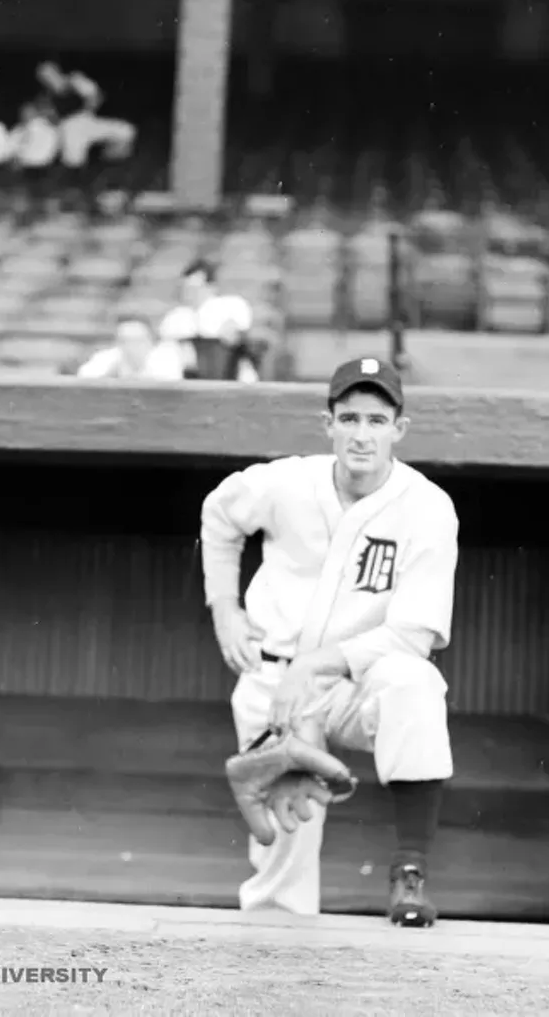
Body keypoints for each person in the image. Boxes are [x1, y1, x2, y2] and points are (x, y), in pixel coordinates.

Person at [199, 357, 458, 926]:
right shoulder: (285, 482)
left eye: (375, 420)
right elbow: (218, 514)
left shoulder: (427, 507)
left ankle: (410, 871)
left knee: (415, 683)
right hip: (274, 683)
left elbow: (414, 633)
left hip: (353, 684)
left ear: (399, 429)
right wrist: (225, 607)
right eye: (349, 418)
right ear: (329, 424)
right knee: (281, 859)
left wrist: (316, 666)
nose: (361, 434)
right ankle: (273, 981)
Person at [77, 316, 185, 380]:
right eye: (124, 341)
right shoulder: (107, 357)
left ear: (151, 342)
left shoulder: (166, 358)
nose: (131, 346)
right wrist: (110, 373)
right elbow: (83, 379)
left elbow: (170, 386)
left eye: (138, 341)